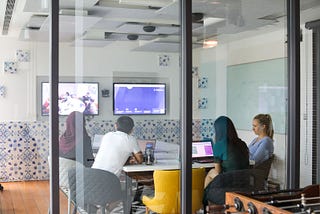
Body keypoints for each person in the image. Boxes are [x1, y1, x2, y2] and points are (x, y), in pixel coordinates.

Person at [204, 116, 249, 188]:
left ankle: (207, 197)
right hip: (244, 182)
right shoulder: (242, 143)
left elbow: (218, 171)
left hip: (229, 181)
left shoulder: (219, 145)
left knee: (210, 173)